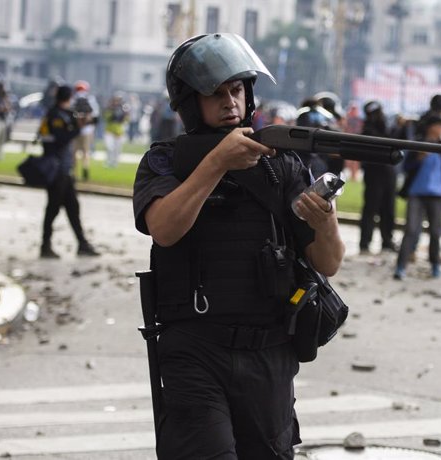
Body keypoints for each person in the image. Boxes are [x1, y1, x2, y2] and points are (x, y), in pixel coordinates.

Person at [132, 32, 344, 459]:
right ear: (192, 103)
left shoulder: (281, 164)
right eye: (215, 94)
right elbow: (164, 229)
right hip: (196, 352)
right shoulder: (166, 160)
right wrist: (217, 163)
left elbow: (328, 262)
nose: (230, 102)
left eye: (237, 90)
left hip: (269, 353)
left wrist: (326, 224)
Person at [39, 85, 100, 259]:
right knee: (53, 209)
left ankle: (82, 244)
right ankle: (45, 245)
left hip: (65, 170)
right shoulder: (55, 115)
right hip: (57, 170)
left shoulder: (63, 114)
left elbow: (81, 124)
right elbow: (61, 138)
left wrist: (81, 122)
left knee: (73, 207)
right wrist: (78, 128)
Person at [394, 115, 441, 280]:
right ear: (431, 127)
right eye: (439, 125)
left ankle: (435, 264)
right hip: (416, 193)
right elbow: (406, 166)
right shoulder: (419, 144)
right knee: (411, 230)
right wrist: (419, 158)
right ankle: (401, 266)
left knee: (436, 232)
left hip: (437, 195)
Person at [358, 100, 397, 254]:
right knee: (371, 209)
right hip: (374, 173)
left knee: (388, 208)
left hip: (388, 172)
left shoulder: (388, 126)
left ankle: (387, 240)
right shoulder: (368, 130)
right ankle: (365, 242)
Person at [71, 80, 100, 181]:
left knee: (74, 152)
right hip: (87, 130)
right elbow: (95, 115)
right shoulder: (90, 99)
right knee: (86, 151)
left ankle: (74, 173)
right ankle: (85, 169)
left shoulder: (73, 99)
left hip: (75, 129)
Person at [102, 93, 129, 168]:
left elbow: (127, 119)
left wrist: (123, 116)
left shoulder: (124, 108)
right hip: (109, 130)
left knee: (117, 148)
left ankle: (115, 162)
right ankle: (109, 161)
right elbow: (106, 117)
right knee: (109, 147)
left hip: (119, 131)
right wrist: (112, 114)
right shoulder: (109, 108)